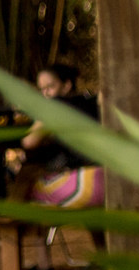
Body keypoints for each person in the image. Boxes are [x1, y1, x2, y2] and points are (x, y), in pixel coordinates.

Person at [12, 60, 105, 211]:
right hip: (107, 178)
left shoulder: (53, 105)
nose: (45, 93)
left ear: (66, 85)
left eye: (50, 87)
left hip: (84, 184)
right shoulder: (90, 100)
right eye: (41, 89)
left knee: (27, 174)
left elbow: (29, 142)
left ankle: (12, 219)